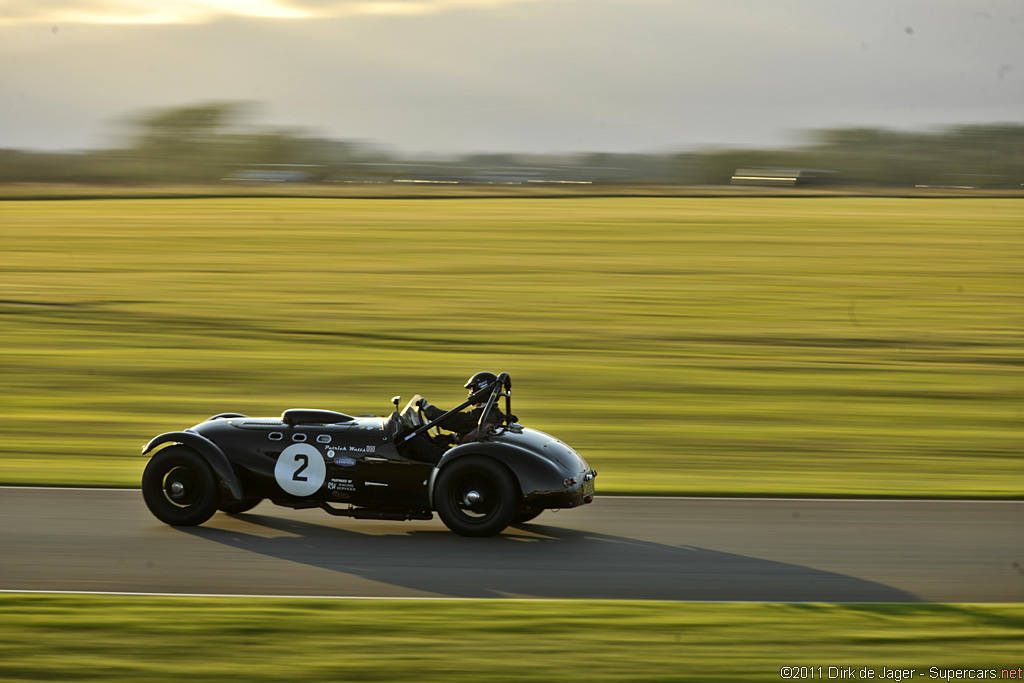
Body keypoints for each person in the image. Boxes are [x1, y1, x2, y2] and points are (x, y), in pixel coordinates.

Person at [403, 372, 518, 463]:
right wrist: (452, 438)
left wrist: (427, 409)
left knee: (413, 441)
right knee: (430, 439)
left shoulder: (481, 415)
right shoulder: (495, 414)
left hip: (457, 459)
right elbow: (469, 429)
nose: (470, 394)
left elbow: (451, 420)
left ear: (481, 392)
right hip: (467, 455)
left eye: (472, 390)